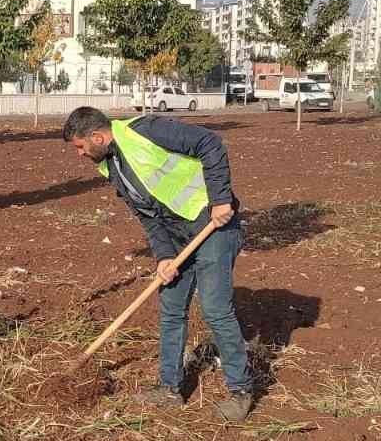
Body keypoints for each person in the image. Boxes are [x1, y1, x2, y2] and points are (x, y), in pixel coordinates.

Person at [61, 107, 253, 421]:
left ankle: (241, 390)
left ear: (97, 136)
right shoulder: (111, 166)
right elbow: (147, 217)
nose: (80, 154)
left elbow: (209, 143)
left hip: (212, 222)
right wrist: (164, 256)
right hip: (177, 236)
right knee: (172, 305)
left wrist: (220, 199)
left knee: (215, 308)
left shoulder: (146, 130)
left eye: (81, 147)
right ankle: (169, 387)